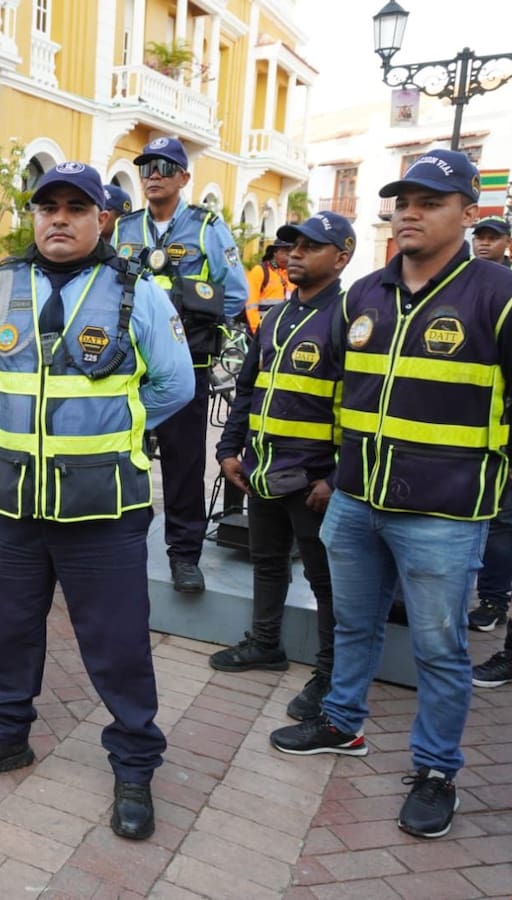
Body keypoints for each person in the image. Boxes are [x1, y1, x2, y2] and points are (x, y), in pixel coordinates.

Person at [269, 149, 512, 841]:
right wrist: (326, 474)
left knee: (439, 648)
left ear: (469, 215)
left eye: (430, 201)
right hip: (354, 500)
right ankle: (343, 725)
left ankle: (436, 770)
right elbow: (338, 394)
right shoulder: (363, 295)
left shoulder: (497, 294)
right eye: (403, 199)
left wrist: (492, 483)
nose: (409, 211)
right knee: (352, 624)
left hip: (444, 513)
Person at [0, 161, 194, 842]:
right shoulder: (3, 284)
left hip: (104, 509)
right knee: (9, 632)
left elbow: (174, 387)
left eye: (75, 208)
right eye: (47, 207)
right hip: (13, 504)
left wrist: (113, 432)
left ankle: (135, 762)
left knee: (116, 646)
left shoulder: (135, 289)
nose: (58, 218)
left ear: (101, 219)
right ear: (34, 216)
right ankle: (6, 735)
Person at [211, 212, 356, 722]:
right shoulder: (274, 316)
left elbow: (361, 405)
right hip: (265, 470)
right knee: (267, 561)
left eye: (310, 246)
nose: (294, 254)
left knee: (325, 581)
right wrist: (230, 450)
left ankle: (330, 672)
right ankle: (265, 644)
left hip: (313, 481)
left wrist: (336, 479)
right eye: (291, 245)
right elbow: (246, 389)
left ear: (341, 258)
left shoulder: (349, 317)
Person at [113, 137, 248, 593]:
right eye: (148, 166)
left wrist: (189, 316)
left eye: (166, 168)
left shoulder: (206, 226)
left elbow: (235, 293)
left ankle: (184, 555)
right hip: (130, 363)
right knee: (123, 453)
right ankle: (121, 544)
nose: (154, 174)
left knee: (184, 464)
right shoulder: (125, 228)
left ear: (184, 178)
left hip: (187, 362)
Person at [243, 240, 292, 334]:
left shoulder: (289, 274)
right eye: (286, 253)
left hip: (280, 330)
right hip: (261, 329)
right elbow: (251, 306)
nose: (290, 257)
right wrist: (258, 332)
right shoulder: (260, 271)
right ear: (275, 252)